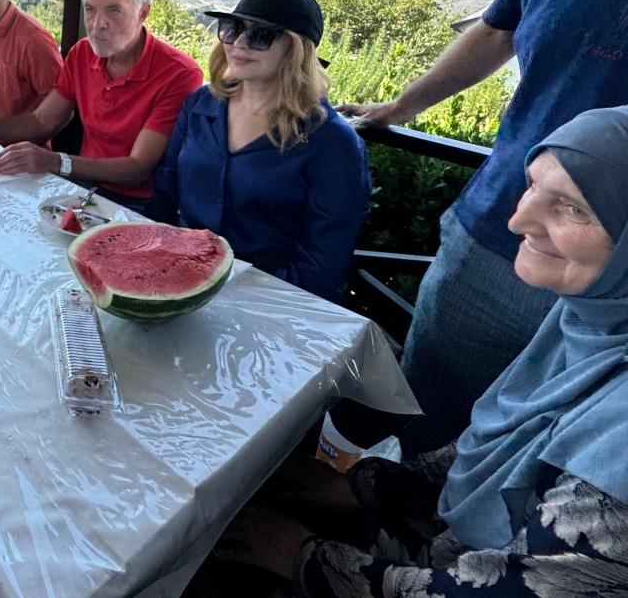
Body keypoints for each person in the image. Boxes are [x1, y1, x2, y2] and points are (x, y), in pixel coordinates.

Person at [214, 106, 628, 597]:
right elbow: (493, 447)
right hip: (440, 544)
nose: (518, 220)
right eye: (533, 185)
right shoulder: (589, 321)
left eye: (573, 207)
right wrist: (367, 487)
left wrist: (301, 555)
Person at [338, 0, 628, 452]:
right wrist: (397, 108)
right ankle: (381, 550)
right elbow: (497, 29)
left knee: (554, 470)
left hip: (616, 296)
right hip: (500, 238)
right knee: (429, 419)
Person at [146, 0, 370, 303]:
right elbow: (166, 188)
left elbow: (321, 267)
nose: (238, 43)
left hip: (267, 294)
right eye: (233, 28)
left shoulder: (333, 145)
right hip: (178, 272)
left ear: (296, 51)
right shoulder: (201, 103)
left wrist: (246, 297)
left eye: (260, 35)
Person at [0, 0, 202, 204]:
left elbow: (138, 169)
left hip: (139, 205)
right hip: (81, 190)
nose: (98, 24)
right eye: (90, 9)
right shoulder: (82, 53)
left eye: (113, 11)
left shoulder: (179, 73)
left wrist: (56, 162)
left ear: (143, 12)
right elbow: (42, 120)